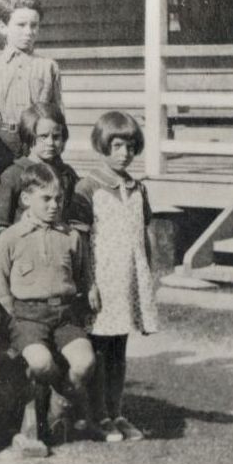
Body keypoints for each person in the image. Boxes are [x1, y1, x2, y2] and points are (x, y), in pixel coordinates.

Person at [0, 163, 96, 458]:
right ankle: (48, 417)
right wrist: (14, 312)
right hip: (27, 317)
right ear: (26, 199)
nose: (54, 206)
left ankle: (57, 405)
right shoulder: (11, 237)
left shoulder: (70, 236)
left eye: (59, 199)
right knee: (39, 363)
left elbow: (80, 273)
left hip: (63, 315)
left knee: (85, 363)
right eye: (46, 199)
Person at [71, 111, 157, 443]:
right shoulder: (87, 187)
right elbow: (81, 243)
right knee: (100, 349)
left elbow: (142, 235)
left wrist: (147, 277)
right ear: (102, 144)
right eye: (117, 145)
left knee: (120, 348)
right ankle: (97, 415)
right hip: (102, 281)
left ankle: (117, 411)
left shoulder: (138, 189)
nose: (124, 153)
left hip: (128, 280)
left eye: (131, 146)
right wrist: (88, 282)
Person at [0, 0, 62, 177]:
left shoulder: (48, 67)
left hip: (35, 143)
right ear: (3, 27)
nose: (28, 31)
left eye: (34, 25)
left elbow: (57, 115)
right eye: (21, 25)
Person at [0, 103, 79, 232]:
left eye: (56, 137)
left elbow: (74, 217)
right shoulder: (13, 175)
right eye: (43, 137)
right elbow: (3, 225)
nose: (50, 143)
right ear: (29, 136)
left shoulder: (66, 174)